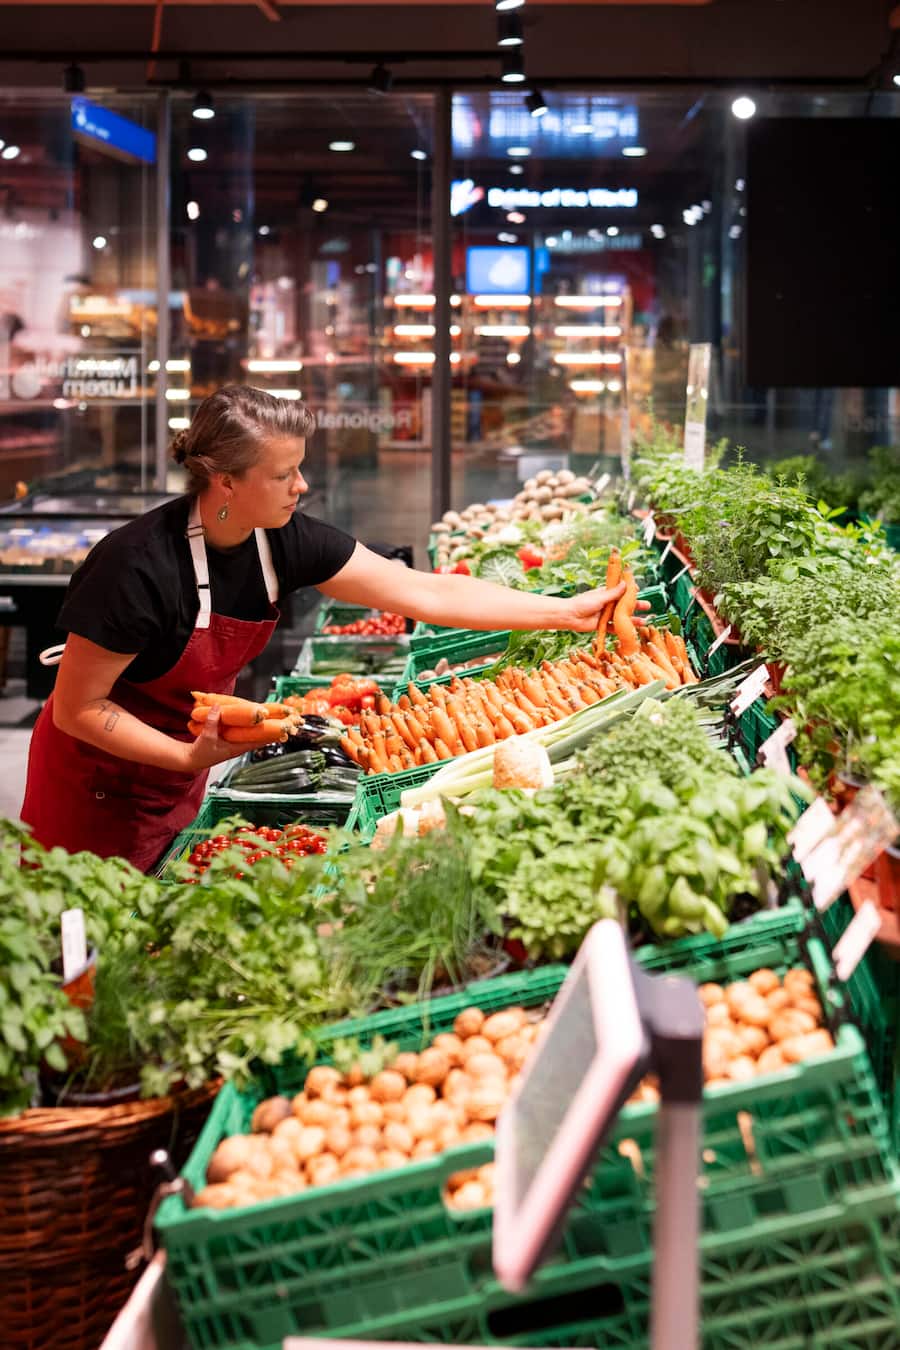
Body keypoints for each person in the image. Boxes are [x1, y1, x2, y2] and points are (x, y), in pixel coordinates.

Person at [20, 385, 635, 871]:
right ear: (226, 480)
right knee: (81, 947)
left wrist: (564, 611)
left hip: (180, 770)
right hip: (94, 784)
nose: (303, 485)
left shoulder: (281, 541)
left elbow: (424, 591)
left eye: (301, 467)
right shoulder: (136, 566)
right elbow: (78, 708)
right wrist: (185, 754)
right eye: (283, 474)